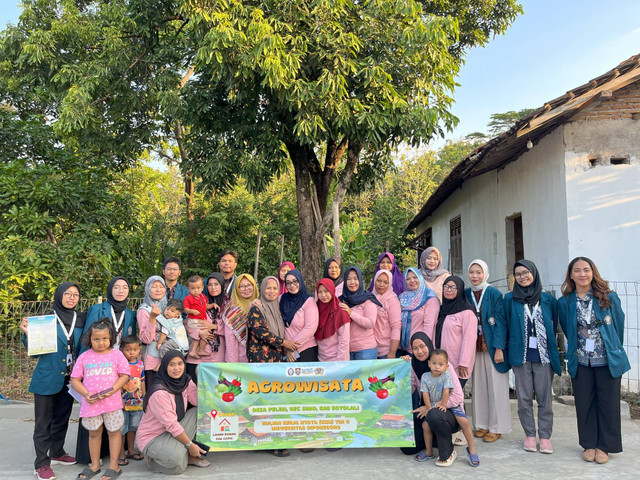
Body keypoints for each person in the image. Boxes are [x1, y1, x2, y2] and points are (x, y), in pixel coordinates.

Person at [558, 257, 630, 464]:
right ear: (571, 275)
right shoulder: (565, 302)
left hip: (607, 360)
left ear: (593, 272)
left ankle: (604, 446)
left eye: (586, 270)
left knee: (608, 404)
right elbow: (568, 330)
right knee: (584, 403)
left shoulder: (608, 297)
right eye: (577, 270)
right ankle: (589, 444)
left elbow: (618, 326)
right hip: (581, 361)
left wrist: (612, 349)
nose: (582, 274)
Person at [20, 282, 85, 480]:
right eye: (67, 294)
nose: (72, 297)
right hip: (47, 377)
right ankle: (41, 464)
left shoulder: (80, 319)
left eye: (75, 294)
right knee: (43, 423)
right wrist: (27, 334)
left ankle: (57, 452)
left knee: (62, 419)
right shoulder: (45, 320)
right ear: (59, 296)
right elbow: (35, 353)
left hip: (70, 379)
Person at [504, 260, 561, 454]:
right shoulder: (509, 299)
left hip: (543, 356)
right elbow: (506, 325)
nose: (522, 276)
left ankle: (544, 437)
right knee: (524, 398)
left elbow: (554, 324)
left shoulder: (547, 300)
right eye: (518, 274)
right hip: (521, 356)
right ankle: (529, 435)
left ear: (534, 274)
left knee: (545, 398)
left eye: (526, 272)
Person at [70, 321, 130, 480]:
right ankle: (95, 464)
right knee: (94, 433)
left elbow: (125, 375)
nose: (101, 342)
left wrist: (113, 389)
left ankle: (114, 465)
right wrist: (86, 394)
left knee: (113, 432)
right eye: (96, 339)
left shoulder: (117, 355)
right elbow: (75, 379)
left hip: (112, 404)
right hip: (91, 405)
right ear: (90, 339)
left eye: (105, 338)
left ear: (111, 338)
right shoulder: (84, 357)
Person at [135, 351, 209, 474]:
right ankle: (152, 460)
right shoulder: (159, 393)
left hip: (172, 430)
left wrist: (200, 378)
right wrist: (190, 445)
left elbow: (197, 401)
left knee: (199, 412)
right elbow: (171, 425)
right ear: (165, 367)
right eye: (172, 365)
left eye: (180, 364)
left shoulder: (185, 380)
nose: (177, 368)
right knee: (176, 465)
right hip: (154, 437)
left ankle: (185, 454)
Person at [465, 260, 511, 443]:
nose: (475, 276)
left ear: (485, 273)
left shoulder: (494, 293)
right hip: (474, 348)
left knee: (496, 387)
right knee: (479, 387)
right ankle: (481, 424)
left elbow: (501, 322)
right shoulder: (466, 294)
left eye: (478, 272)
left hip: (492, 347)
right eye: (472, 272)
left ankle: (497, 426)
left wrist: (499, 348)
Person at [408, 332, 463, 467]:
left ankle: (448, 452)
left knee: (434, 414)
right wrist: (403, 367)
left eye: (422, 346)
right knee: (408, 448)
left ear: (429, 345)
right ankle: (430, 446)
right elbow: (410, 389)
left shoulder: (442, 363)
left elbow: (457, 397)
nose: (420, 351)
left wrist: (429, 406)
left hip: (449, 411)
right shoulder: (414, 365)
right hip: (426, 410)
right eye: (415, 348)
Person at [416, 348, 479, 467]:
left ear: (446, 366)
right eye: (434, 363)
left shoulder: (446, 375)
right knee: (425, 425)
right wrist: (429, 408)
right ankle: (429, 451)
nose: (436, 366)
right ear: (429, 363)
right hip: (434, 407)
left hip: (450, 405)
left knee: (464, 421)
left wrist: (444, 405)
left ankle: (471, 449)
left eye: (440, 364)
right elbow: (425, 393)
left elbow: (446, 391)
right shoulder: (425, 376)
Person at [434, 276, 477, 390]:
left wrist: (464, 363)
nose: (449, 290)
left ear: (460, 290)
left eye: (453, 287)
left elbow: (470, 340)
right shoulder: (442, 309)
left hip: (458, 365)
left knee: (454, 397)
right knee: (443, 399)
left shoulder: (467, 312)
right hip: (440, 363)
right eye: (446, 286)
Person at [246, 276, 298, 363]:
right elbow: (261, 333)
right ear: (262, 289)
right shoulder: (256, 308)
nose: (272, 291)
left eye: (275, 288)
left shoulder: (279, 307)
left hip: (277, 358)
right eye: (268, 288)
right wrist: (284, 343)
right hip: (260, 360)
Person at [185, 273, 226, 382]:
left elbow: (231, 329)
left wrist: (214, 327)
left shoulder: (227, 305)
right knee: (195, 394)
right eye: (210, 284)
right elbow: (187, 323)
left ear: (222, 285)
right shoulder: (199, 300)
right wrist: (199, 333)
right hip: (197, 359)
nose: (213, 287)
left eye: (216, 284)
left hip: (217, 357)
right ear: (206, 287)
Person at [339, 266, 382, 360]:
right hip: (346, 351)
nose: (352, 282)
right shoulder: (341, 300)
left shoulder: (367, 299)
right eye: (349, 279)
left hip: (366, 350)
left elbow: (370, 323)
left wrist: (351, 313)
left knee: (366, 376)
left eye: (355, 278)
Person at [83, 277, 136, 351]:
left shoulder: (129, 313)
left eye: (125, 288)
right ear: (110, 289)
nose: (121, 291)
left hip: (121, 358)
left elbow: (131, 340)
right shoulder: (96, 309)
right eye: (116, 287)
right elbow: (86, 339)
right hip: (98, 357)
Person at [398, 268, 439, 356]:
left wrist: (424, 347)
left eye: (415, 277)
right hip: (406, 348)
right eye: (408, 279)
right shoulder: (402, 298)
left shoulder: (429, 297)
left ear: (420, 277)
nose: (412, 281)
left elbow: (429, 325)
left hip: (422, 349)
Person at [280, 269, 319, 362]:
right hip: (287, 353)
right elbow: (267, 302)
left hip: (306, 350)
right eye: (288, 283)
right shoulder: (282, 299)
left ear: (300, 281)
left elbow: (310, 328)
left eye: (295, 281)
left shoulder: (309, 301)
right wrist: (256, 302)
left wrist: (291, 347)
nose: (292, 285)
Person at [137, 275, 168, 388]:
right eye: (154, 286)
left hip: (168, 358)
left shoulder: (168, 307)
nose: (158, 289)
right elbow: (146, 339)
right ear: (148, 289)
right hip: (152, 359)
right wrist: (152, 318)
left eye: (161, 286)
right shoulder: (144, 310)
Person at [118, 335, 145, 464]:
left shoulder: (140, 365)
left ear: (139, 349)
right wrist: (118, 399)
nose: (131, 352)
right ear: (122, 350)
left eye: (135, 349)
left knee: (133, 426)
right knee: (122, 428)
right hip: (122, 402)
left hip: (136, 401)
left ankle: (131, 449)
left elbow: (143, 381)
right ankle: (121, 452)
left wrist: (144, 396)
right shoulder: (119, 364)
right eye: (128, 350)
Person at [221, 273, 258, 362]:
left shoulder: (261, 305)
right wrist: (233, 367)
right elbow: (230, 343)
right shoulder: (232, 310)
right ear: (237, 289)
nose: (246, 289)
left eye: (249, 285)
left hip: (260, 359)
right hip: (241, 361)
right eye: (242, 286)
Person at [315, 278, 351, 362]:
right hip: (320, 360)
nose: (323, 295)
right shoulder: (316, 309)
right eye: (320, 292)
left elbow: (344, 341)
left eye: (326, 291)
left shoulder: (341, 311)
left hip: (336, 360)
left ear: (332, 290)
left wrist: (339, 364)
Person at [371, 270, 402, 359]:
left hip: (387, 350)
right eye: (379, 280)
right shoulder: (370, 298)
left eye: (385, 282)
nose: (381, 285)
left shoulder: (392, 300)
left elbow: (396, 327)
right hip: (372, 349)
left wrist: (392, 352)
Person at [181, 276, 212, 358]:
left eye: (198, 288)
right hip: (194, 320)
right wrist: (192, 311)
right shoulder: (188, 298)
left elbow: (205, 306)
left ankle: (200, 350)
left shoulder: (202, 297)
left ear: (202, 288)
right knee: (200, 334)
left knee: (205, 332)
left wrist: (212, 305)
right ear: (188, 289)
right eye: (193, 288)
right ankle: (195, 350)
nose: (196, 290)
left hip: (201, 319)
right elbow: (184, 309)